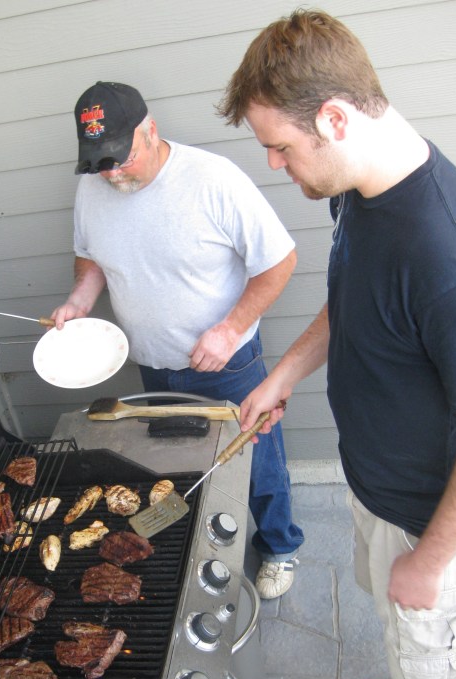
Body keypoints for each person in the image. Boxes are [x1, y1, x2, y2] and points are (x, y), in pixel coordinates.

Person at [218, 9, 456, 679]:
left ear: (334, 118)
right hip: (378, 483)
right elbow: (349, 300)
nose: (274, 163)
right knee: (414, 636)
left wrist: (430, 559)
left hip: (435, 520)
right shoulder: (364, 189)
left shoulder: (449, 262)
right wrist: (285, 372)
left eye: (282, 146)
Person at [51, 81, 304, 599]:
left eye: (120, 158)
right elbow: (91, 255)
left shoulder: (213, 180)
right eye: (99, 163)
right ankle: (201, 545)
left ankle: (279, 547)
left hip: (228, 363)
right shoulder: (93, 187)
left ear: (151, 131)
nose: (111, 172)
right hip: (151, 363)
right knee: (176, 464)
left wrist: (230, 330)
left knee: (255, 456)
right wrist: (80, 299)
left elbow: (280, 261)